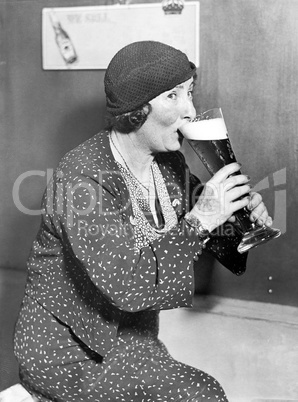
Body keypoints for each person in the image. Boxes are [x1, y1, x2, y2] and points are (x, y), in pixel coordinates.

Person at [14, 41, 272, 402]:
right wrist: (203, 218)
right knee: (204, 395)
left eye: (190, 92)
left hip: (134, 337)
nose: (191, 110)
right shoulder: (80, 182)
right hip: (68, 352)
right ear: (136, 110)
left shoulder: (168, 164)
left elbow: (203, 230)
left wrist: (237, 222)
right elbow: (126, 283)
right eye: (173, 96)